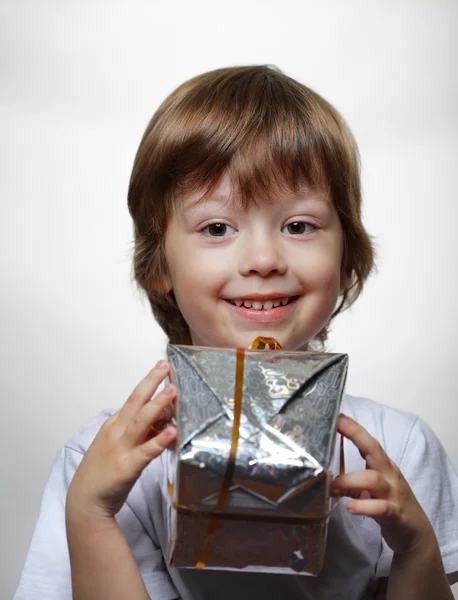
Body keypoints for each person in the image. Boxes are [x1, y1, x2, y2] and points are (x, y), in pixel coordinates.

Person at [15, 65, 458, 600]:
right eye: (217, 228)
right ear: (159, 264)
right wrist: (89, 515)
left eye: (298, 226)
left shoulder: (396, 451)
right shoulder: (106, 462)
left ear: (347, 260)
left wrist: (416, 548)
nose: (264, 259)